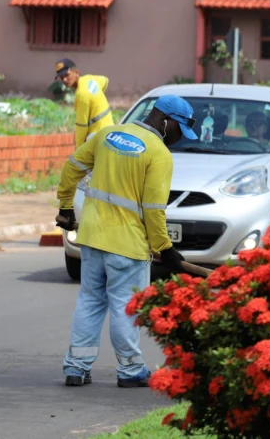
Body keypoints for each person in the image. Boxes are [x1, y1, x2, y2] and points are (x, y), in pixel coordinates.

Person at [55, 95, 196, 388]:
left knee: (90, 301)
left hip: (92, 239)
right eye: (179, 130)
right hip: (127, 247)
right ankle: (131, 371)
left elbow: (72, 168)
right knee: (125, 306)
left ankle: (76, 368)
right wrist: (165, 249)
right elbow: (154, 210)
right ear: (165, 121)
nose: (179, 139)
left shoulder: (106, 135)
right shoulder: (158, 154)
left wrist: (66, 206)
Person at [55, 58, 114, 146]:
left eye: (67, 75)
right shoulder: (89, 79)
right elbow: (105, 81)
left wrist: (78, 150)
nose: (64, 80)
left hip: (98, 136)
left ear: (76, 72)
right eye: (61, 77)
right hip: (111, 129)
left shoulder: (81, 94)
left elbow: (81, 126)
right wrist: (96, 97)